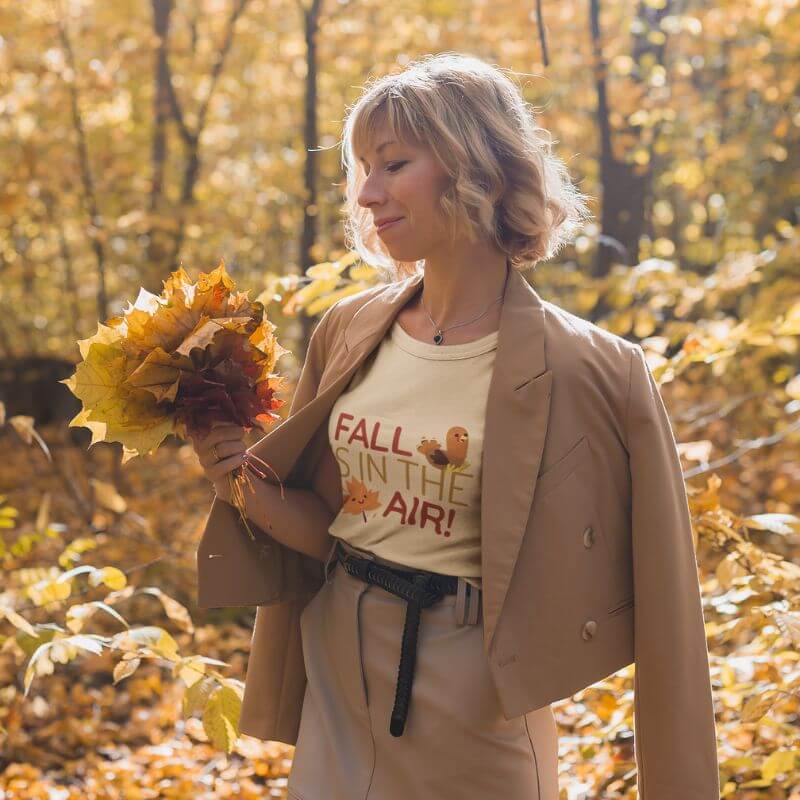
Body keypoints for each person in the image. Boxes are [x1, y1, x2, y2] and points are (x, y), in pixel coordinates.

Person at [193, 52, 719, 800]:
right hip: (339, 674)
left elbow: (669, 613)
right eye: (362, 168)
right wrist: (234, 480)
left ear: (475, 166)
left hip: (480, 699)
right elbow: (334, 531)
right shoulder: (347, 331)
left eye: (394, 163)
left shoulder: (596, 370)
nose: (368, 192)